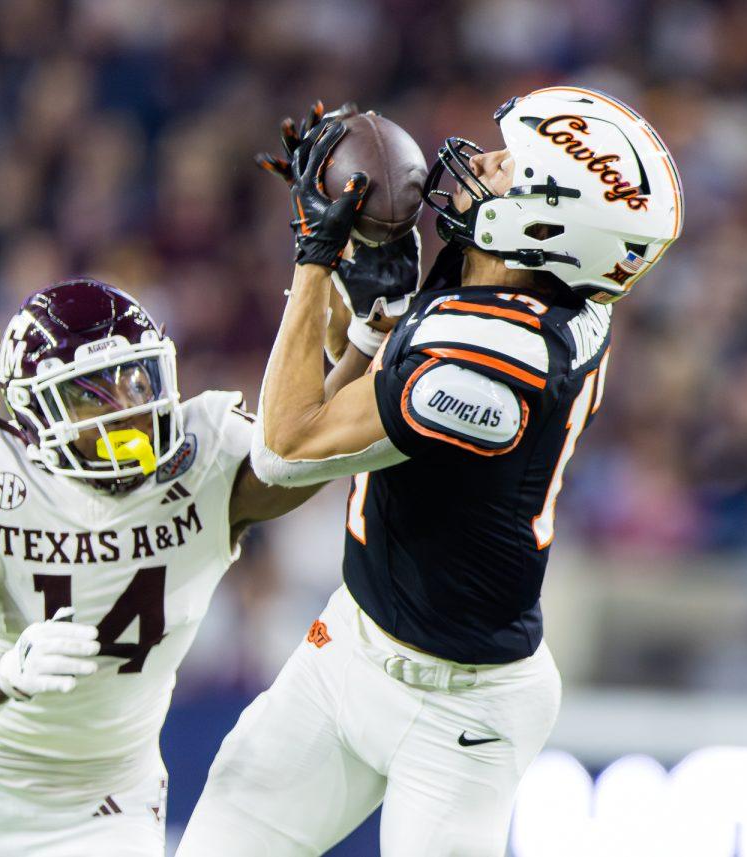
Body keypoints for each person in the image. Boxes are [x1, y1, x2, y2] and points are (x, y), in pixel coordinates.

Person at [176, 86, 684, 856]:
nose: (480, 161)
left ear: (548, 224)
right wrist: (377, 308)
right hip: (351, 642)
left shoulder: (491, 367)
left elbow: (285, 447)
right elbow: (409, 342)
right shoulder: (525, 283)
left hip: (461, 710)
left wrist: (315, 259)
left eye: (514, 168)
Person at [0, 275, 394, 857]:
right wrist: (2, 674)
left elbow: (301, 453)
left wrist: (366, 339)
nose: (128, 411)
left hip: (105, 802)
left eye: (136, 380)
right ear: (34, 413)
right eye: (92, 395)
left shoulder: (203, 461)